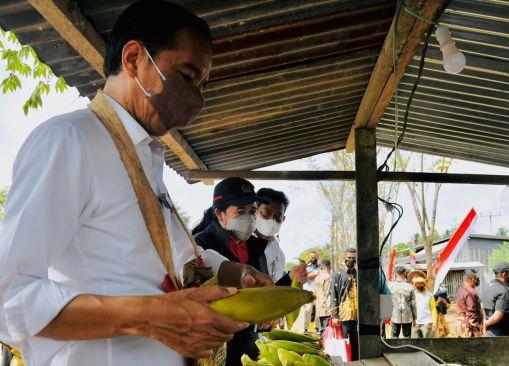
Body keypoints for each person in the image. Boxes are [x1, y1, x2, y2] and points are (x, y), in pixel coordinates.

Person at [0, 2, 272, 365]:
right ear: (133, 59)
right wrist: (151, 316)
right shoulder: (70, 140)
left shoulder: (145, 158)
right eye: (187, 76)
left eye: (202, 84)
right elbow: (8, 295)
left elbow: (176, 259)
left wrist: (235, 273)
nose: (198, 99)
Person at [192, 177, 278, 365]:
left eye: (252, 211)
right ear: (220, 214)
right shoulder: (200, 245)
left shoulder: (257, 249)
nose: (249, 218)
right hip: (215, 349)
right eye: (240, 212)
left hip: (248, 344)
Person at [253, 188, 307, 286]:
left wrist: (291, 277)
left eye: (278, 216)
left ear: (283, 219)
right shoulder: (242, 243)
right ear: (254, 211)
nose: (272, 219)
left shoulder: (279, 254)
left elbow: (272, 290)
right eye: (266, 213)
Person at [330, 248, 359, 360]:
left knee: (356, 343)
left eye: (354, 258)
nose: (351, 260)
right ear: (344, 258)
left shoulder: (357, 274)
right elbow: (334, 295)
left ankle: (356, 362)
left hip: (356, 315)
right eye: (349, 258)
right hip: (343, 316)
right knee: (343, 343)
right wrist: (335, 316)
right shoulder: (337, 274)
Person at [482, 262, 509, 336]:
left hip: (490, 333)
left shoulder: (488, 287)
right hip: (504, 337)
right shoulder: (503, 290)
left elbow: (484, 308)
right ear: (503, 274)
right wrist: (485, 323)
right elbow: (497, 316)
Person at [387, 267, 416, 338]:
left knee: (394, 338)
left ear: (395, 274)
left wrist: (386, 317)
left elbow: (387, 302)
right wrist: (414, 318)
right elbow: (413, 304)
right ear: (404, 274)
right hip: (407, 315)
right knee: (407, 338)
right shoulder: (410, 287)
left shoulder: (390, 286)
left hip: (394, 315)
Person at [456, 269, 483, 338]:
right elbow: (472, 313)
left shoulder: (461, 290)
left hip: (461, 326)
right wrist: (478, 329)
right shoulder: (471, 292)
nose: (477, 281)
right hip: (470, 329)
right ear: (473, 279)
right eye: (477, 279)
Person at [313, 259, 332, 338]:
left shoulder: (317, 277)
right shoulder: (328, 277)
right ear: (329, 267)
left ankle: (322, 344)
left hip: (318, 305)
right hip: (326, 306)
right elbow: (328, 292)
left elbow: (314, 292)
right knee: (327, 328)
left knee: (322, 328)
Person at [302, 252, 321, 333]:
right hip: (308, 292)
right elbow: (306, 276)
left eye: (315, 257)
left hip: (317, 292)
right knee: (308, 310)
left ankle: (316, 327)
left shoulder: (320, 267)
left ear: (317, 258)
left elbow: (323, 274)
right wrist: (317, 274)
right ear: (310, 258)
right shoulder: (306, 268)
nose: (314, 259)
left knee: (318, 310)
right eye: (312, 257)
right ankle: (306, 328)